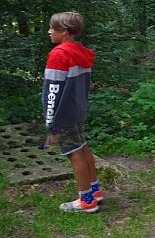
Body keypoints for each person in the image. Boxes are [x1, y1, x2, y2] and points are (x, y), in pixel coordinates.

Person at [42, 12, 103, 213]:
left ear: (65, 32)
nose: (49, 31)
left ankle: (86, 201)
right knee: (82, 147)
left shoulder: (58, 55)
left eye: (53, 28)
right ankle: (95, 191)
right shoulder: (80, 52)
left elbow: (52, 92)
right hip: (77, 110)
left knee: (73, 152)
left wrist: (51, 123)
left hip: (64, 115)